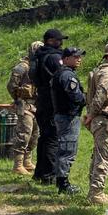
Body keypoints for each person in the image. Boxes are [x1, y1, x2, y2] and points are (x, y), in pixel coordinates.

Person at [83, 42, 108, 205]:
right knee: (104, 155)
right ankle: (96, 193)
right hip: (104, 118)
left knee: (99, 154)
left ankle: (95, 191)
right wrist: (92, 114)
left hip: (100, 118)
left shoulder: (100, 69)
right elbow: (100, 94)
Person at [50, 47, 87, 196]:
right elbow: (76, 96)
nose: (79, 59)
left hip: (63, 115)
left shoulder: (62, 73)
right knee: (67, 149)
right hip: (68, 116)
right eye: (75, 56)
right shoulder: (66, 75)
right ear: (65, 58)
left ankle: (61, 180)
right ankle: (63, 184)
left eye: (79, 56)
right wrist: (86, 99)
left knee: (65, 147)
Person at [32, 28, 67, 185]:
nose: (62, 44)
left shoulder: (39, 55)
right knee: (53, 138)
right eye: (59, 40)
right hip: (52, 102)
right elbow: (63, 77)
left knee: (44, 137)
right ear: (51, 41)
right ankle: (49, 175)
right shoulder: (54, 57)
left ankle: (40, 172)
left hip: (42, 100)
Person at [7, 40, 43, 176]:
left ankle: (27, 161)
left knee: (35, 134)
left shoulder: (38, 67)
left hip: (36, 105)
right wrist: (18, 98)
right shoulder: (22, 67)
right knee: (24, 134)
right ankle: (18, 164)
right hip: (24, 105)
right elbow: (11, 86)